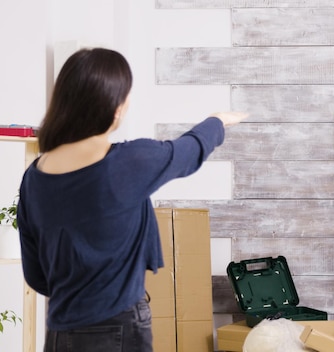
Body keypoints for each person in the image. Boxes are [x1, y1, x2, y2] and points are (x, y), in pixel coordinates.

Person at [16, 48, 248, 351]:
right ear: (114, 107)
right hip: (119, 326)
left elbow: (37, 276)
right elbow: (188, 152)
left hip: (60, 331)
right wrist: (218, 120)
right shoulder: (126, 163)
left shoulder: (33, 179)